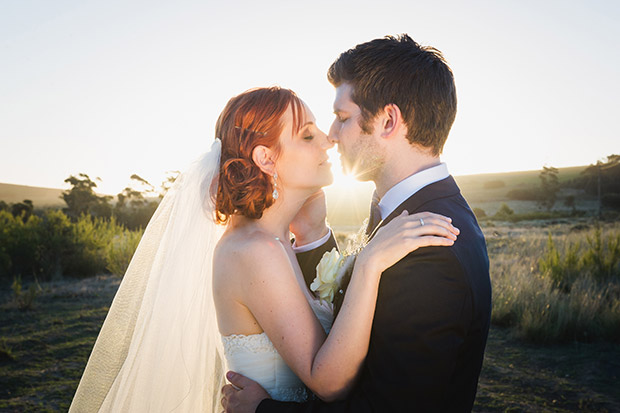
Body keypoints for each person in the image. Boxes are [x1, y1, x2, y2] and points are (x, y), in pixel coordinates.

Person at [69, 86, 458, 412]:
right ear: (266, 158)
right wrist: (370, 264)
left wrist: (312, 232)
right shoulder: (255, 251)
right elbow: (329, 382)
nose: (328, 139)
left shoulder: (274, 241)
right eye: (307, 136)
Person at [221, 35, 491, 413]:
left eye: (342, 118)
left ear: (388, 121)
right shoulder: (403, 210)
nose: (331, 136)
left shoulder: (432, 248)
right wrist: (315, 237)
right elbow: (340, 315)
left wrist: (264, 411)